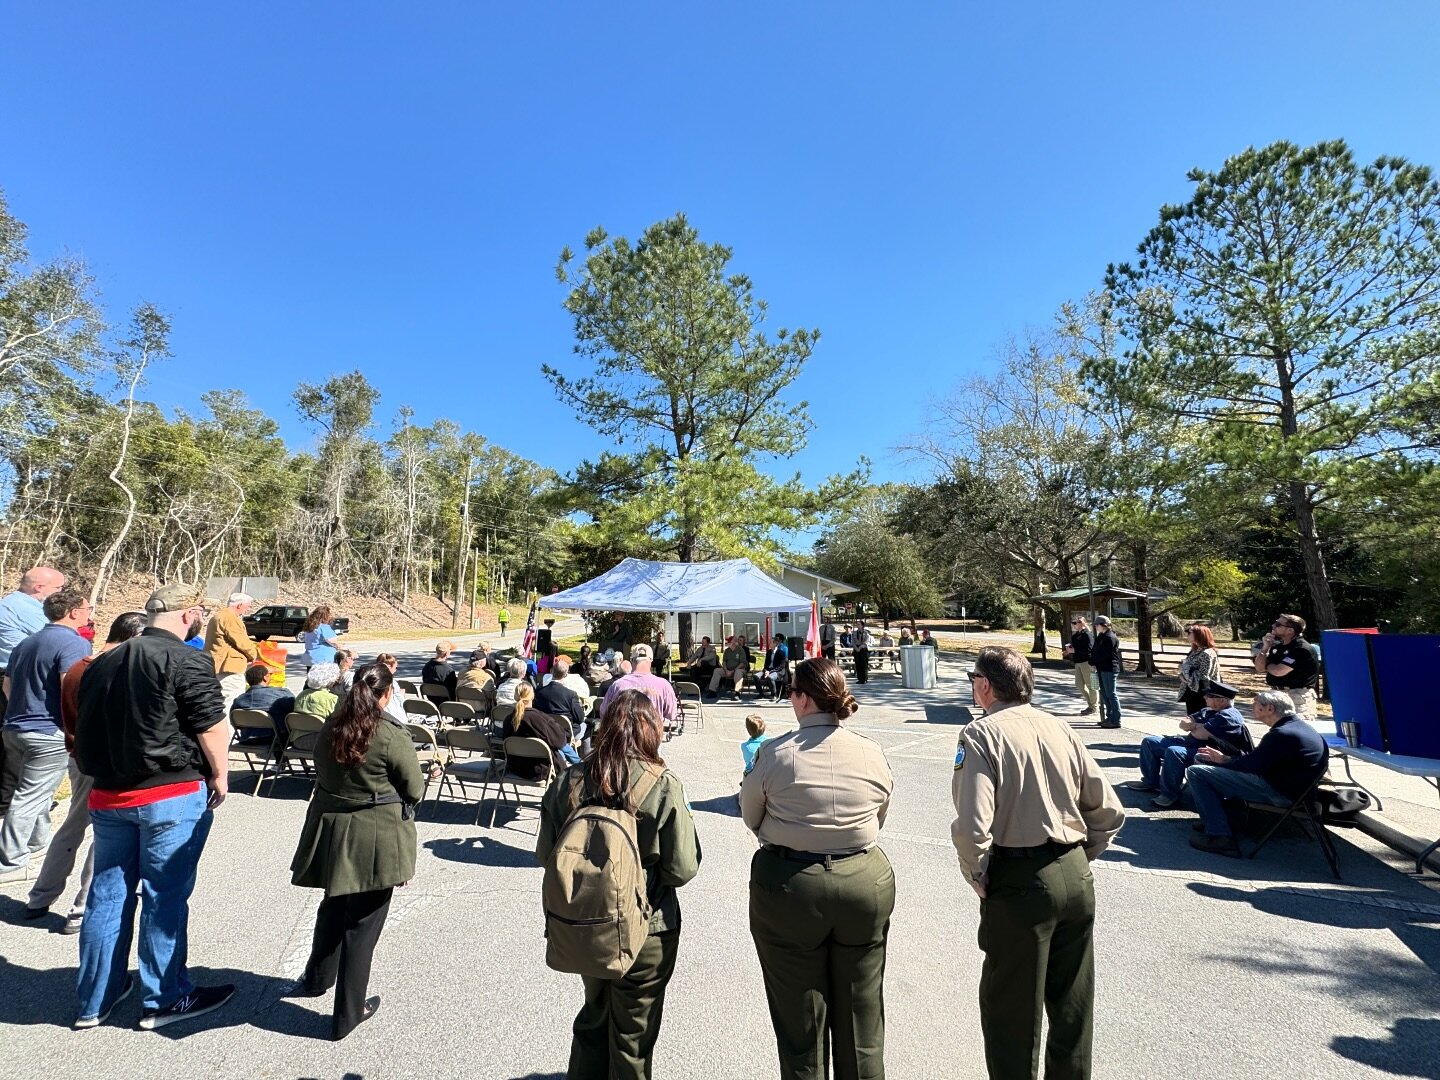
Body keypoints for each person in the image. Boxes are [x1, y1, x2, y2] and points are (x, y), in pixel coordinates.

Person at [951, 646, 1126, 1080]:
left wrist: (977, 873)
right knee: (1072, 1004)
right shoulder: (1059, 727)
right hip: (1073, 870)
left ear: (985, 685)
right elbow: (1107, 810)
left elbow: (974, 825)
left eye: (974, 679)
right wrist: (1080, 857)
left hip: (1022, 877)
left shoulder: (981, 734)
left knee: (1012, 1011)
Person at [73, 583, 235, 1030]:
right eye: (200, 610)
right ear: (188, 615)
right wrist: (219, 775)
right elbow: (210, 724)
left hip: (109, 793)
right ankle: (164, 997)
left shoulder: (101, 663)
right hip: (168, 791)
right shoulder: (185, 657)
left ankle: (94, 998)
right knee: (164, 896)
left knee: (107, 897)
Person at [741, 656, 894, 1079]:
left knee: (799, 1015)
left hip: (792, 884)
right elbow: (880, 813)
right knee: (862, 1010)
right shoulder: (870, 751)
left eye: (792, 692)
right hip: (862, 877)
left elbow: (750, 815)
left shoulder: (775, 753)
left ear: (804, 700)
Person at [536, 689, 701, 1080]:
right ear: (652, 729)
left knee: (594, 1015)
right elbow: (682, 868)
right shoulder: (662, 784)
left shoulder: (570, 779)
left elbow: (547, 854)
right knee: (634, 1033)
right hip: (648, 926)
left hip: (584, 922)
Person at [289, 661, 423, 1041]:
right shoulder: (391, 734)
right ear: (386, 694)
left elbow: (320, 769)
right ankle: (348, 1013)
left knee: (333, 908)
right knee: (362, 927)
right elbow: (414, 788)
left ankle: (316, 979)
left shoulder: (331, 725)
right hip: (374, 835)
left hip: (332, 827)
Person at [24, 611, 146, 934]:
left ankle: (40, 896)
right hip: (105, 759)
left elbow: (67, 711)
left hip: (77, 755)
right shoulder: (115, 668)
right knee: (105, 834)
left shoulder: (79, 667)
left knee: (74, 824)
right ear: (135, 636)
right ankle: (81, 907)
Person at [0, 590, 94, 883]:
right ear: (74, 612)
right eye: (87, 608)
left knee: (36, 790)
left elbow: (7, 685)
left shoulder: (26, 643)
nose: (90, 613)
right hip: (47, 730)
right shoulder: (75, 643)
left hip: (14, 727)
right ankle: (10, 862)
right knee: (29, 796)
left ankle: (36, 844)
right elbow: (72, 686)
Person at [1186, 690, 1328, 857]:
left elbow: (1252, 765)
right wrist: (1225, 760)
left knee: (1197, 772)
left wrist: (1224, 761)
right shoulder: (1296, 727)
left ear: (1270, 709)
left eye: (1256, 704)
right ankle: (1220, 819)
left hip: (1281, 792)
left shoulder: (1283, 734)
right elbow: (1258, 760)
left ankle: (1220, 837)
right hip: (1296, 790)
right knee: (1214, 767)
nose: (1251, 707)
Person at [1127, 680, 1252, 809]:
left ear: (1222, 700)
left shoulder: (1229, 716)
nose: (1204, 697)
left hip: (1211, 752)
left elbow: (1200, 734)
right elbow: (1183, 722)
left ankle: (1169, 795)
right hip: (1191, 744)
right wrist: (1197, 726)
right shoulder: (1209, 710)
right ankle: (1151, 782)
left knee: (1174, 751)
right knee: (1150, 742)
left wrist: (1194, 727)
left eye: (1209, 695)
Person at [0, 566, 66, 718]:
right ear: (39, 587)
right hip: (16, 678)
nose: (61, 592)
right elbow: (59, 637)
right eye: (59, 587)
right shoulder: (24, 608)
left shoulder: (11, 602)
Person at [503, 682, 580, 778]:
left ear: (515, 697)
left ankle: (580, 764)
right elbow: (560, 740)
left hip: (515, 768)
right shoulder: (540, 718)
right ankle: (581, 766)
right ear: (532, 696)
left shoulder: (508, 719)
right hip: (540, 769)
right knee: (560, 745)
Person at [205, 591, 263, 716]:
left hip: (218, 666)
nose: (248, 610)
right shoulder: (230, 618)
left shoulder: (219, 616)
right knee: (230, 703)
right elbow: (242, 642)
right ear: (239, 605)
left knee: (218, 702)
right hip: (230, 668)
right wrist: (254, 654)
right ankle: (227, 733)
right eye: (247, 607)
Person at [1252, 613, 1320, 719]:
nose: (1273, 626)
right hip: (1276, 694)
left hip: (1297, 696)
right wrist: (1265, 648)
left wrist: (1267, 664)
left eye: (1278, 624)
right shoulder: (1278, 647)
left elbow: (1278, 671)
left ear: (1290, 630)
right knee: (1278, 730)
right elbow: (1259, 668)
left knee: (1297, 731)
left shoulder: (1301, 649)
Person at [601, 644, 680, 727]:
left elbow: (604, 712)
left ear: (632, 660)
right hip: (652, 736)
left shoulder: (617, 685)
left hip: (623, 736)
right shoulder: (664, 685)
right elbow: (672, 713)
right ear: (651, 661)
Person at [232, 662, 295, 745]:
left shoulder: (239, 700)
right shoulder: (280, 694)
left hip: (247, 739)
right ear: (265, 678)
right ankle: (281, 758)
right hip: (275, 739)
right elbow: (294, 708)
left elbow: (235, 722)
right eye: (270, 674)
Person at [534, 658, 589, 741]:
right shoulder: (571, 694)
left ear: (552, 672)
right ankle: (583, 754)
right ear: (566, 674)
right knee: (585, 726)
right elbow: (580, 718)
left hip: (544, 730)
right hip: (565, 733)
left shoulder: (539, 691)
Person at [1177, 624, 1221, 715]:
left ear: (1199, 634)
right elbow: (1185, 667)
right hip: (1191, 691)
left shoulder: (1207, 653)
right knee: (1192, 719)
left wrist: (1186, 671)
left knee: (1201, 721)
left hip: (1202, 693)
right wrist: (1182, 675)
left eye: (1190, 633)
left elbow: (1204, 676)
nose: (1187, 635)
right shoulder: (1195, 651)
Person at [1089, 615, 1123, 729]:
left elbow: (1104, 655)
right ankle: (1110, 717)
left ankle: (1116, 719)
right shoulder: (1101, 636)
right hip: (1102, 668)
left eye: (1097, 625)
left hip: (1109, 668)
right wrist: (1092, 662)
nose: (1096, 627)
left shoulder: (1110, 637)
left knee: (1111, 694)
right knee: (1104, 694)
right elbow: (1095, 651)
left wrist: (1093, 661)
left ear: (1102, 625)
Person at [1063, 616, 1099, 717]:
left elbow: (1089, 650)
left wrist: (1074, 651)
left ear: (1082, 623)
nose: (1073, 624)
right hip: (1077, 662)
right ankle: (1090, 705)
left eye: (1075, 622)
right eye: (1073, 622)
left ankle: (1094, 707)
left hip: (1086, 662)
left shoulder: (1087, 634)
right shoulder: (1075, 636)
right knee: (1079, 684)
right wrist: (1068, 651)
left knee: (1091, 685)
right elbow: (1075, 648)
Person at [707, 635, 751, 700]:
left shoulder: (741, 650)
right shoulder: (727, 651)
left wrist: (733, 670)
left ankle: (737, 693)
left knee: (738, 672)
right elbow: (724, 662)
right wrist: (726, 670)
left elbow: (743, 663)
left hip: (739, 669)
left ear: (732, 643)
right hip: (728, 670)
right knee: (717, 670)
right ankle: (712, 691)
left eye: (729, 642)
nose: (727, 643)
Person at [375, 653, 410, 727]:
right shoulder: (392, 683)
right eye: (395, 668)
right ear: (389, 667)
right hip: (393, 716)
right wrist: (401, 695)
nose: (395, 670)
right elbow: (401, 702)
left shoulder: (373, 680)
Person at [756, 634, 790, 701]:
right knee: (756, 676)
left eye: (771, 643)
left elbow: (781, 667)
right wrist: (766, 670)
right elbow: (766, 664)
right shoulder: (768, 652)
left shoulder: (781, 653)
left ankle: (774, 695)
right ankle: (761, 693)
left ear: (775, 643)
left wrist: (770, 672)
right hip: (767, 670)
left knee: (770, 677)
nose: (769, 644)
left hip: (777, 671)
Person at [852, 621, 872, 685]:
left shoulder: (866, 633)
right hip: (856, 649)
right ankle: (859, 679)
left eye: (859, 624)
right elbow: (853, 642)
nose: (857, 625)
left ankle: (865, 679)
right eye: (857, 624)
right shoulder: (854, 633)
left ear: (862, 625)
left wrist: (860, 647)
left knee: (864, 665)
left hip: (863, 649)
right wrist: (856, 648)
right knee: (858, 664)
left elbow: (866, 642)